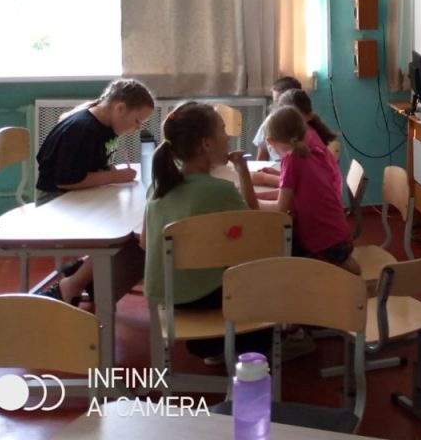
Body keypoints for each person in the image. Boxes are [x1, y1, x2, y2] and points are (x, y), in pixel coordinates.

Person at [140, 102, 311, 363]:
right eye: (222, 130)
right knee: (281, 258)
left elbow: (144, 242)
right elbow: (259, 240)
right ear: (206, 144)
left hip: (169, 300)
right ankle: (269, 344)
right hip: (210, 301)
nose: (228, 136)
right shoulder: (220, 191)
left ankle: (219, 346)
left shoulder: (157, 188)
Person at [37, 78, 155, 304]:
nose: (138, 128)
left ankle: (84, 270)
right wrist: (114, 176)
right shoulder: (82, 129)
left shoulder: (106, 126)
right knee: (123, 233)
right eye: (137, 121)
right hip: (57, 203)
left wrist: (110, 172)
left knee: (135, 226)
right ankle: (75, 283)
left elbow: (92, 166)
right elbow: (66, 180)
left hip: (77, 198)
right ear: (120, 108)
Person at [261, 106, 360, 274]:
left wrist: (251, 202)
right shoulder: (315, 152)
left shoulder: (292, 160)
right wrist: (260, 195)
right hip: (341, 238)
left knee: (283, 266)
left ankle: (340, 277)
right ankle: (343, 271)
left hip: (328, 247)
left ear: (270, 141)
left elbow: (280, 208)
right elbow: (291, 195)